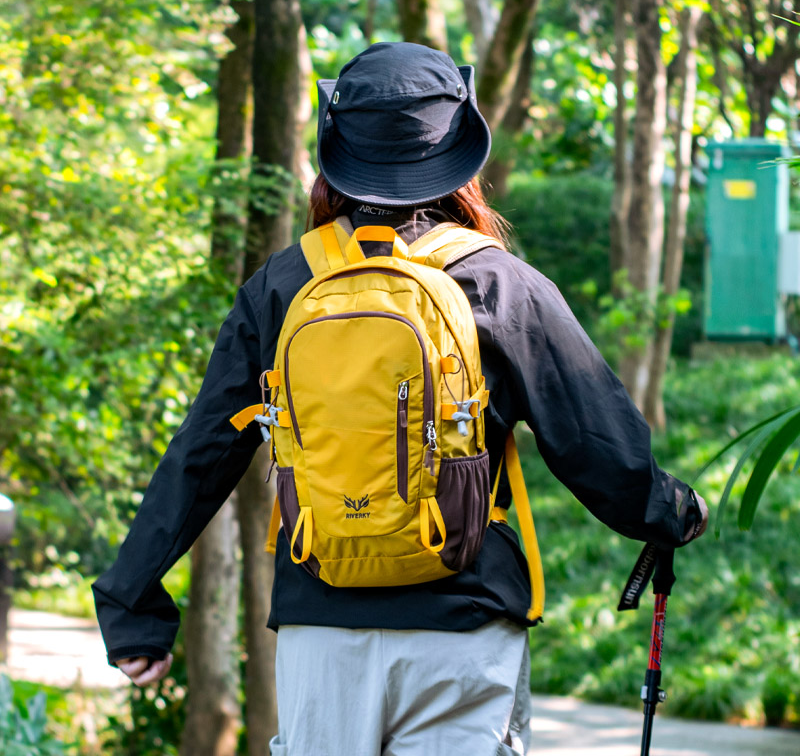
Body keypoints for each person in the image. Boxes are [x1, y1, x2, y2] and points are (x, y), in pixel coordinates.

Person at [93, 41, 708, 755]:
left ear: (338, 146)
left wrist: (131, 602)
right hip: (463, 625)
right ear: (458, 147)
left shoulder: (283, 285)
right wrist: (669, 512)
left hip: (319, 629)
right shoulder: (501, 284)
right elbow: (596, 446)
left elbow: (204, 452)